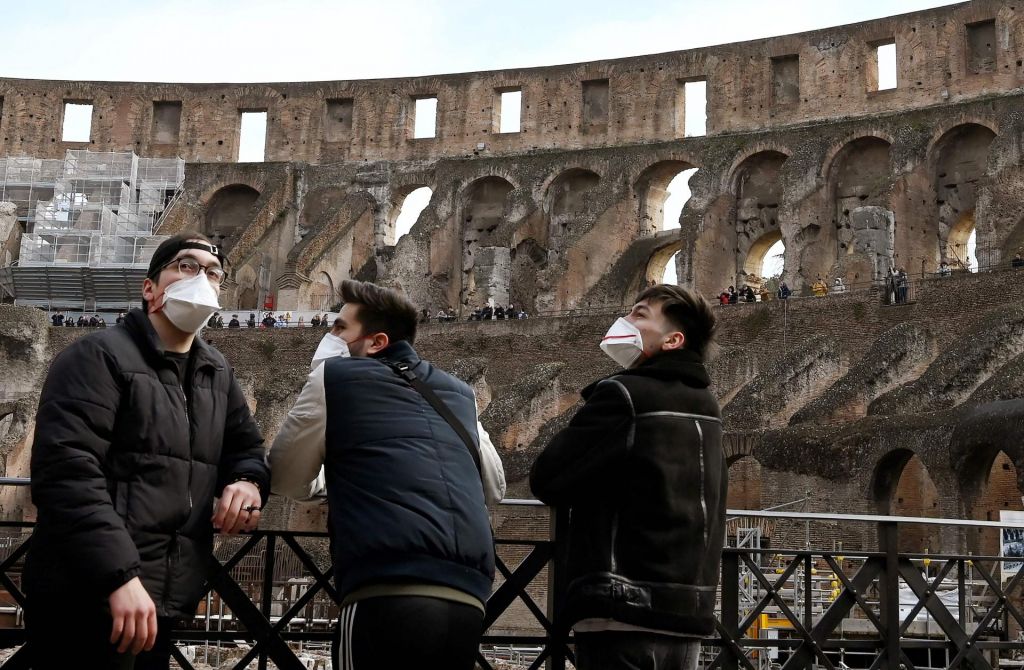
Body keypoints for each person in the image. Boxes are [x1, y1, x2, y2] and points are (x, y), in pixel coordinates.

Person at [24, 232, 269, 670]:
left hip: (162, 598)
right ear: (150, 287)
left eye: (214, 273)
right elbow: (67, 474)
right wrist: (118, 577)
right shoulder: (95, 356)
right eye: (186, 266)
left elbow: (246, 446)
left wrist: (248, 481)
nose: (202, 279)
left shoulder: (216, 371)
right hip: (87, 594)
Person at [270, 279, 504, 670]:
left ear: (376, 341)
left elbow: (286, 477)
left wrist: (332, 482)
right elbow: (493, 486)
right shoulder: (458, 393)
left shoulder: (335, 378)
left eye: (340, 327)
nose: (329, 334)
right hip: (469, 596)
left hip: (385, 587)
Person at [530, 284, 725, 670]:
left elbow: (547, 477)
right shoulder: (708, 405)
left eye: (639, 314)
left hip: (624, 606)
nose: (625, 321)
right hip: (689, 610)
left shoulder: (624, 394)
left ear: (673, 339)